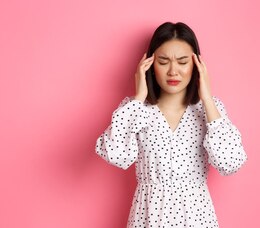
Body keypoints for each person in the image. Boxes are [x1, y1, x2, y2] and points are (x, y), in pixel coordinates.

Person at [95, 21, 247, 227]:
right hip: (148, 217)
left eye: (183, 61)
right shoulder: (136, 109)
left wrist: (208, 98)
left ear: (196, 65)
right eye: (163, 61)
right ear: (149, 64)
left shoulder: (210, 110)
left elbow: (231, 162)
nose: (173, 71)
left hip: (197, 218)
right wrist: (139, 97)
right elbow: (116, 155)